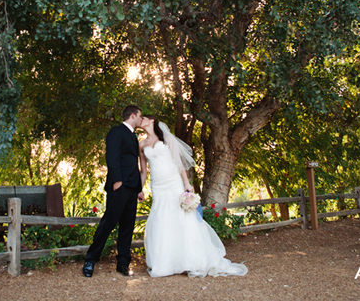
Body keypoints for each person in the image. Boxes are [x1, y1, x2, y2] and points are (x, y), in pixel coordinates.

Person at [139, 115, 248, 278]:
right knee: (160, 218)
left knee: (182, 218)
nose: (140, 120)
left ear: (152, 121)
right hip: (157, 186)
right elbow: (144, 170)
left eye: (143, 118)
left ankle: (189, 260)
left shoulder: (167, 139)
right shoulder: (141, 144)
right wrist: (140, 189)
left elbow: (179, 163)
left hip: (173, 182)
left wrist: (186, 183)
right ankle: (166, 261)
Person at [83, 105, 145, 277]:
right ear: (132, 115)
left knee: (127, 227)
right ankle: (90, 260)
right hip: (119, 186)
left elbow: (134, 164)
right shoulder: (116, 131)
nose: (141, 119)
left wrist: (139, 189)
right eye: (140, 116)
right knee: (108, 224)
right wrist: (117, 180)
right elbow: (111, 156)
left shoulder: (134, 136)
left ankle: (123, 263)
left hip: (132, 189)